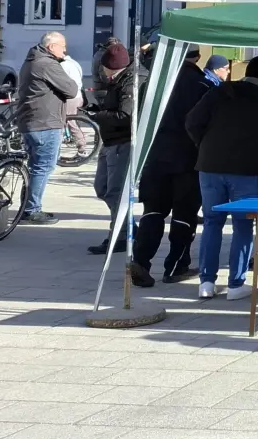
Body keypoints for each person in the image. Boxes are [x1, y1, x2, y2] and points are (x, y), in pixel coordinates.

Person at [187, 55, 258, 300]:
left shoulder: (220, 91)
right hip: (247, 170)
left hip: (209, 166)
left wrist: (205, 146)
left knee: (212, 222)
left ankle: (206, 283)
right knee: (243, 225)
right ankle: (235, 285)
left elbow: (192, 122)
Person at [129, 48, 213, 287]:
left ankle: (141, 261)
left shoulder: (153, 84)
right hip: (189, 159)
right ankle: (176, 266)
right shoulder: (203, 85)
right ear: (196, 58)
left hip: (155, 157)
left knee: (153, 212)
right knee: (184, 216)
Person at [85, 42, 145, 255]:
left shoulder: (130, 82)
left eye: (103, 68)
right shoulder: (117, 79)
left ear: (112, 67)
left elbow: (126, 116)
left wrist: (97, 116)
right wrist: (94, 109)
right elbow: (114, 109)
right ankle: (130, 228)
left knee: (116, 192)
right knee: (102, 188)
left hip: (123, 142)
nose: (101, 72)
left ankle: (119, 236)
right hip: (110, 141)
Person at [15, 31, 80, 224]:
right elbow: (71, 90)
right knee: (43, 167)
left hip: (31, 121)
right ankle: (32, 209)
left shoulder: (32, 60)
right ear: (51, 47)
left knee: (35, 167)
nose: (65, 50)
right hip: (45, 123)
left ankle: (27, 207)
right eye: (63, 46)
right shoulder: (47, 64)